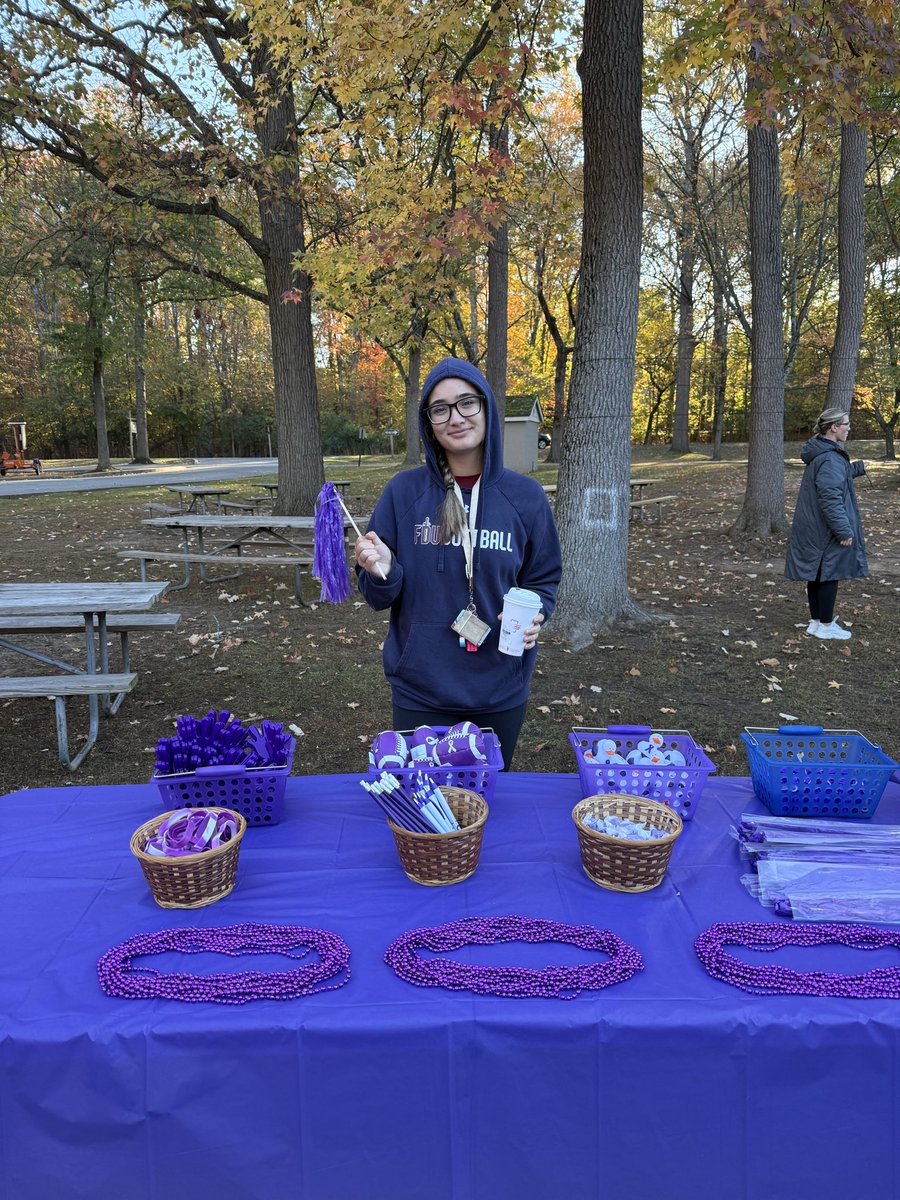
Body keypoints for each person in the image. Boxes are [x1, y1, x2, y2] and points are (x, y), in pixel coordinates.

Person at [355, 357, 562, 769]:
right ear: (428, 422)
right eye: (440, 408)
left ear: (485, 407)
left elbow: (543, 577)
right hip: (421, 690)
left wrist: (537, 612)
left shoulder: (526, 498)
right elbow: (378, 593)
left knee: (487, 804)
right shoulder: (403, 493)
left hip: (500, 686)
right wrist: (381, 568)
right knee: (425, 809)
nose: (456, 417)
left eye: (467, 403)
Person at [784, 407, 869, 640]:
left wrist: (857, 469)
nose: (848, 428)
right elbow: (830, 498)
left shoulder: (824, 452)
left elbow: (833, 479)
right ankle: (826, 624)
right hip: (825, 528)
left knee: (818, 572)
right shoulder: (830, 457)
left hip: (814, 526)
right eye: (846, 424)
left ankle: (816, 622)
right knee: (830, 572)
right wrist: (843, 530)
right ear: (833, 428)